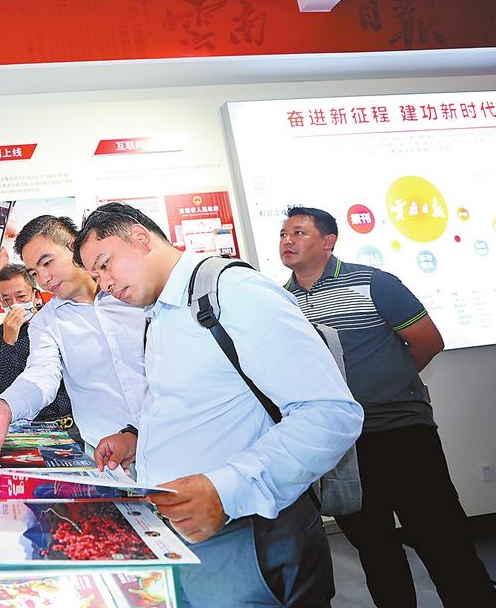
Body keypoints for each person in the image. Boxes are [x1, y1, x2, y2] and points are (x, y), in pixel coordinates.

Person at [74, 202, 363, 608]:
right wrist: (136, 438)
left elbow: (331, 413)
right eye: (95, 276)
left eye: (105, 265)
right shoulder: (162, 313)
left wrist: (225, 489)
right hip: (187, 536)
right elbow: (198, 402)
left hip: (248, 535)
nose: (104, 284)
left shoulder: (232, 292)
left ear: (140, 237)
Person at [279, 206, 496, 608]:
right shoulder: (282, 302)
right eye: (283, 234)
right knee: (375, 549)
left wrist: (389, 384)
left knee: (443, 542)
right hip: (341, 446)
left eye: (299, 232)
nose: (287, 241)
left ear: (328, 242)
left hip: (401, 432)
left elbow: (428, 341)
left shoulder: (373, 282)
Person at [0, 215, 147, 466]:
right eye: (34, 273)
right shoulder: (46, 322)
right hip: (107, 459)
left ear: (74, 246)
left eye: (47, 262)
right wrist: (4, 406)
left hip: (173, 440)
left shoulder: (132, 292)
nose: (44, 279)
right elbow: (41, 375)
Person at [0, 264, 80, 441]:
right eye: (7, 299)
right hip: (32, 429)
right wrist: (8, 343)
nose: (15, 305)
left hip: (79, 422)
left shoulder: (57, 322)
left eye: (21, 297)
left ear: (35, 295)